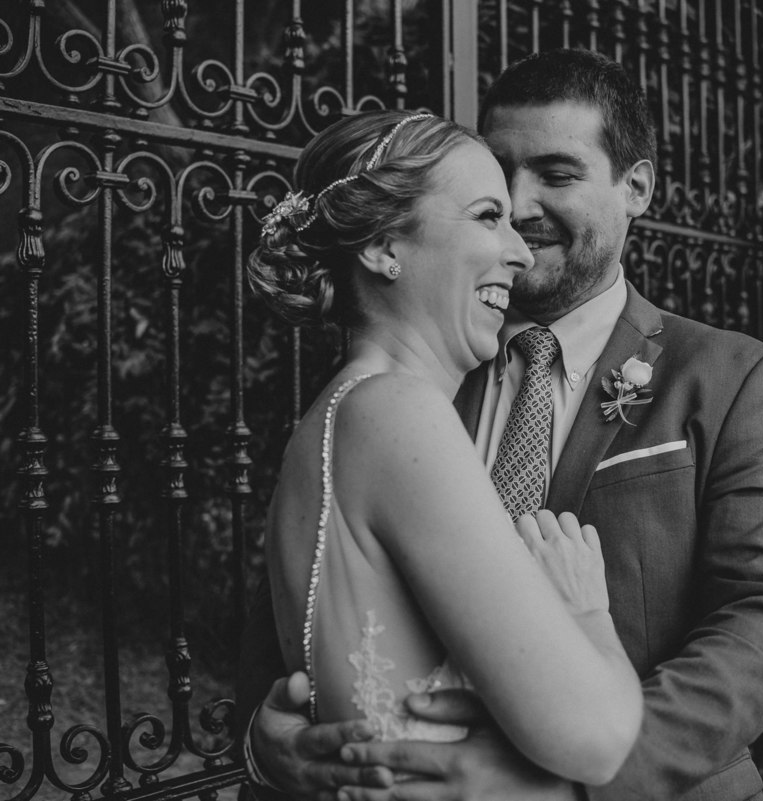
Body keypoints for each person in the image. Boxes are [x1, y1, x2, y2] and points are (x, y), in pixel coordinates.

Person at [239, 49, 763, 801]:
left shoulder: (734, 377)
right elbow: (314, 601)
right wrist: (266, 738)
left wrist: (561, 787)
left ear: (636, 187)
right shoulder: (418, 378)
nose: (520, 205)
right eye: (498, 178)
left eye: (556, 173)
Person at [244, 108, 644, 791]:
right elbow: (596, 739)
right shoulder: (400, 414)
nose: (519, 252)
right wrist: (586, 611)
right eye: (488, 215)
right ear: (382, 247)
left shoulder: (333, 419)